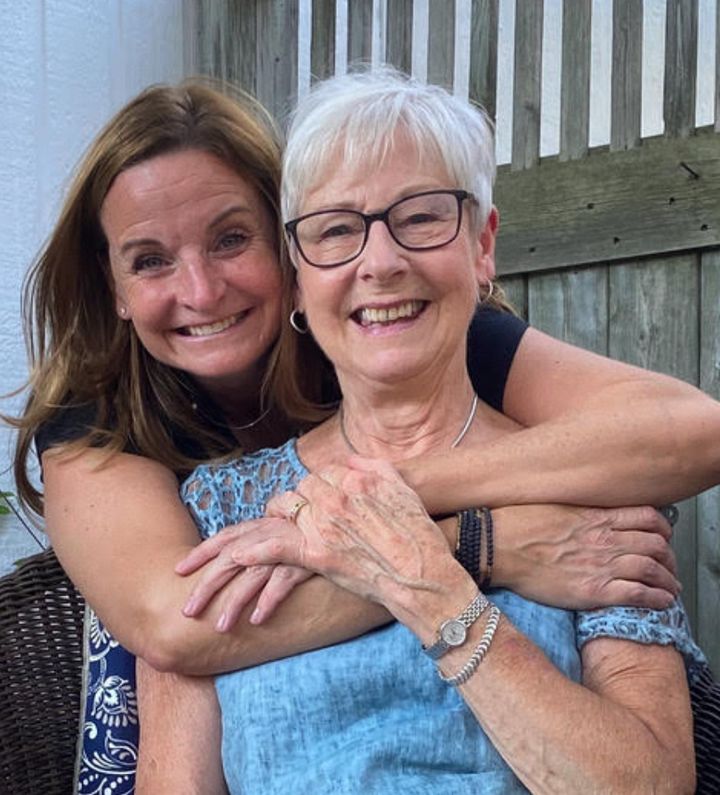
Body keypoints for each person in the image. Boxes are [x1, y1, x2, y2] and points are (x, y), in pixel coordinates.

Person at [7, 79, 718, 792]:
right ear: (303, 269)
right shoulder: (195, 494)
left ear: (481, 246)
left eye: (422, 217)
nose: (379, 264)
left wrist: (376, 512)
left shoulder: (582, 489)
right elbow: (175, 630)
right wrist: (472, 546)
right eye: (338, 229)